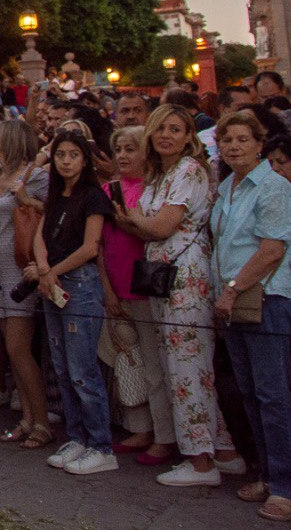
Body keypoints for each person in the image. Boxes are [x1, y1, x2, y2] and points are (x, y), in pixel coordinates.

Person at [111, 103, 231, 480]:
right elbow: (145, 227)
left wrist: (132, 220)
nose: (166, 135)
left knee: (187, 368)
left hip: (185, 277)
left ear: (189, 137)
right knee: (181, 365)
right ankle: (223, 450)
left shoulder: (190, 171)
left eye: (175, 129)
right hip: (162, 277)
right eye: (160, 128)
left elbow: (162, 226)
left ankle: (200, 460)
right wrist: (136, 223)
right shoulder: (159, 174)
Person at [211, 109, 291, 521]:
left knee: (273, 395)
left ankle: (290, 487)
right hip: (232, 301)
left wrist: (232, 290)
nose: (233, 146)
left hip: (265, 299)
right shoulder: (227, 187)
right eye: (227, 139)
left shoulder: (274, 187)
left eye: (242, 139)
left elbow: (272, 249)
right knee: (250, 392)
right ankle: (267, 474)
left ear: (259, 142)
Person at [30, 130, 116, 476]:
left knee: (83, 370)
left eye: (73, 154)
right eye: (60, 154)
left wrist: (53, 272)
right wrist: (44, 268)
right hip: (54, 281)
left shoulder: (93, 196)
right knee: (63, 368)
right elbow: (40, 234)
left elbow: (91, 246)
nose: (66, 161)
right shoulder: (56, 194)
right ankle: (77, 436)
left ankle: (101, 445)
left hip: (79, 284)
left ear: (85, 159)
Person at [96, 126, 175, 466]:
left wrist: (128, 221)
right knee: (126, 360)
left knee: (154, 365)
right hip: (115, 287)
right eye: (119, 149)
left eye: (131, 149)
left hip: (144, 287)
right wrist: (107, 290)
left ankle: (164, 434)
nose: (124, 156)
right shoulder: (107, 190)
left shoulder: (154, 192)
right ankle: (139, 427)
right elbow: (98, 246)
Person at [0, 119, 52, 448]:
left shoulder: (36, 176)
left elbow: (54, 212)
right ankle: (26, 418)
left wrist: (26, 200)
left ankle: (42, 421)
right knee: (11, 349)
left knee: (19, 349)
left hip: (20, 268)